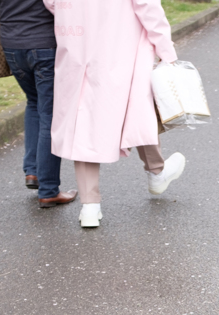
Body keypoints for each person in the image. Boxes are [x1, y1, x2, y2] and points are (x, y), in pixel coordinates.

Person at [45, 0, 186, 228]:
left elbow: (52, 3)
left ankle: (90, 206)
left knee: (84, 122)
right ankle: (156, 172)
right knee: (137, 111)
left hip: (77, 47)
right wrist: (166, 51)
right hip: (122, 44)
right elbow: (147, 6)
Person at [0, 0, 78, 208]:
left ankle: (33, 171)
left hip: (12, 44)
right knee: (50, 114)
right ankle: (49, 190)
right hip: (44, 43)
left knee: (34, 103)